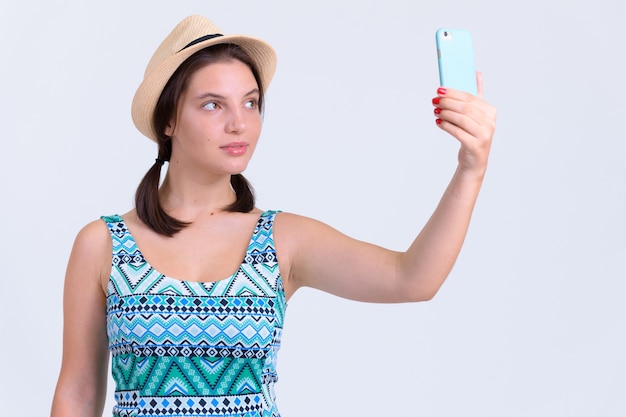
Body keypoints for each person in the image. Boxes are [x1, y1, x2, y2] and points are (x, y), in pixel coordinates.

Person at [50, 14, 496, 417]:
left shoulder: (282, 240)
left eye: (250, 102)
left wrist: (470, 169)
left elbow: (412, 279)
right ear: (167, 119)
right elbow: (79, 393)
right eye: (212, 104)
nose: (239, 123)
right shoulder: (103, 244)